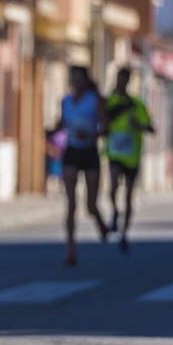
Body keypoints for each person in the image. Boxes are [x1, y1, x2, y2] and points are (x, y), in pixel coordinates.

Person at [54, 65, 108, 266]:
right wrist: (51, 131)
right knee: (71, 204)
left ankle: (100, 220)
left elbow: (106, 128)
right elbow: (61, 123)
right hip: (72, 152)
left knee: (90, 206)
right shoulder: (65, 102)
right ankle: (71, 249)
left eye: (80, 79)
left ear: (86, 81)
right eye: (74, 79)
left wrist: (91, 135)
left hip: (90, 152)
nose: (77, 83)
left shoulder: (94, 101)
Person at [105, 68, 153, 253]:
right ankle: (115, 211)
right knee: (113, 188)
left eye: (124, 80)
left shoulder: (136, 104)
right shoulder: (110, 103)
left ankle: (124, 233)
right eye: (118, 79)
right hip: (115, 154)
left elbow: (151, 127)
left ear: (128, 82)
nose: (120, 83)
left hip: (132, 157)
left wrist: (138, 125)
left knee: (129, 197)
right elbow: (101, 120)